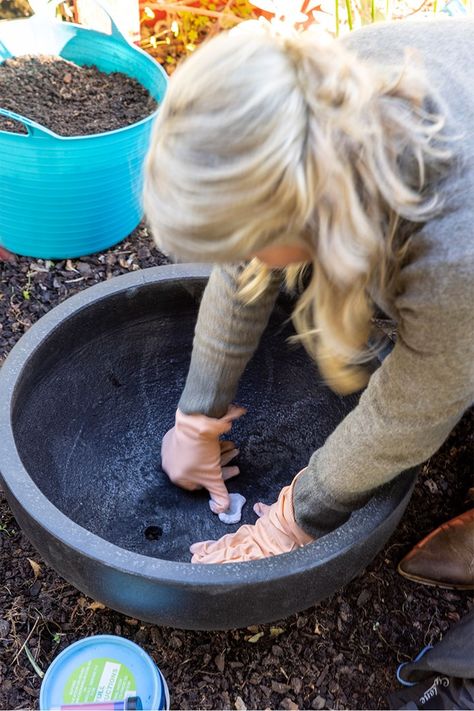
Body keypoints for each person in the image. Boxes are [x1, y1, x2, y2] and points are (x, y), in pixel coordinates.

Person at [143, 17, 474, 566]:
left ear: (306, 215)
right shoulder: (302, 100)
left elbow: (411, 411)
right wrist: (196, 417)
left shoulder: (451, 253)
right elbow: (244, 266)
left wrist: (292, 520)